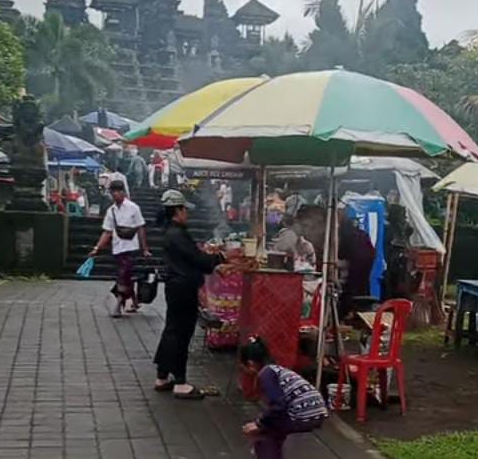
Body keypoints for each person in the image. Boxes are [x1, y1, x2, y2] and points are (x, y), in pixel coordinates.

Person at [153, 189, 225, 399]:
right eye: (185, 210)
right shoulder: (177, 234)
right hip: (183, 287)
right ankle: (181, 382)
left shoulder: (171, 231)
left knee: (171, 330)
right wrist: (218, 258)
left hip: (176, 286)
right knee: (181, 333)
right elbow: (198, 260)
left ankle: (162, 376)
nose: (187, 214)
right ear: (177, 210)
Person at [240, 337, 328, 458]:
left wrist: (259, 424)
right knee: (272, 425)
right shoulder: (276, 370)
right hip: (317, 411)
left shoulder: (265, 374)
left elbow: (278, 405)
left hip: (304, 414)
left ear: (250, 364)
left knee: (266, 431)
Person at [90, 180, 150, 317]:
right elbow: (107, 231)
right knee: (126, 276)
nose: (116, 194)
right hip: (118, 248)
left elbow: (141, 227)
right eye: (113, 192)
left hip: (131, 247)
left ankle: (118, 304)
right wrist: (97, 248)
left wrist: (144, 248)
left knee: (123, 275)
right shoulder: (111, 211)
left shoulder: (133, 208)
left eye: (118, 191)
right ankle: (134, 301)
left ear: (123, 192)